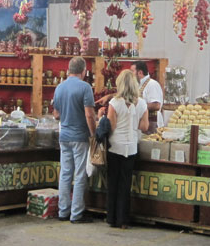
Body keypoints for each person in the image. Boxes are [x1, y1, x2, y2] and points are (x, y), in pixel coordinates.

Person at [52, 56, 97, 223]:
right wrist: (93, 135)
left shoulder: (59, 87)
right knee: (79, 175)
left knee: (65, 173)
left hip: (64, 136)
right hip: (80, 137)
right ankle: (76, 214)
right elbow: (89, 115)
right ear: (83, 71)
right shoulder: (85, 88)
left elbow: (56, 114)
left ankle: (63, 211)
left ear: (68, 69)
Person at [104, 69, 149, 229]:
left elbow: (112, 126)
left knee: (113, 183)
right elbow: (145, 126)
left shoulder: (114, 103)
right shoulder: (142, 103)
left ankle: (112, 218)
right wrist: (133, 123)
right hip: (131, 148)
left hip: (115, 147)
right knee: (125, 184)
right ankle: (123, 220)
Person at [130, 61, 162, 134]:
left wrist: (137, 106)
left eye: (132, 71)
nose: (130, 74)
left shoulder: (152, 84)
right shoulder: (138, 85)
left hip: (152, 125)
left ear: (140, 72)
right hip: (143, 124)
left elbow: (156, 105)